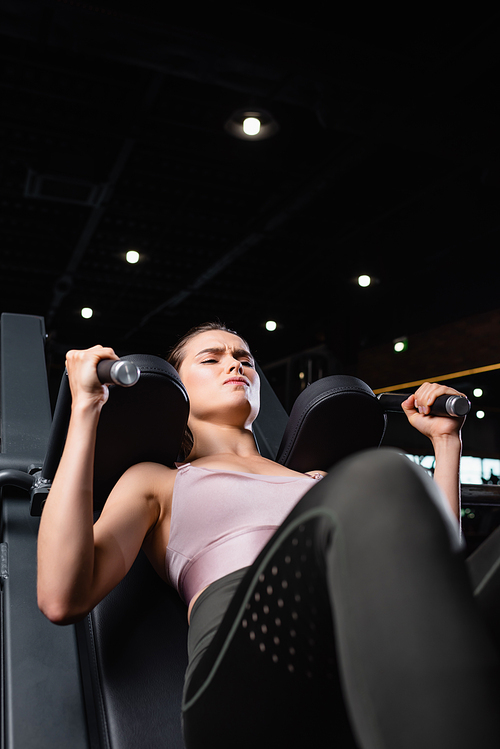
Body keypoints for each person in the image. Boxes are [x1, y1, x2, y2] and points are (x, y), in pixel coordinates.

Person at [37, 322, 500, 749]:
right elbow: (63, 596)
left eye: (244, 358)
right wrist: (86, 408)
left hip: (364, 654)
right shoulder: (157, 480)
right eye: (211, 359)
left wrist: (446, 443)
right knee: (380, 475)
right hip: (242, 675)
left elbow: (438, 579)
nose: (235, 364)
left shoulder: (318, 484)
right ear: (179, 389)